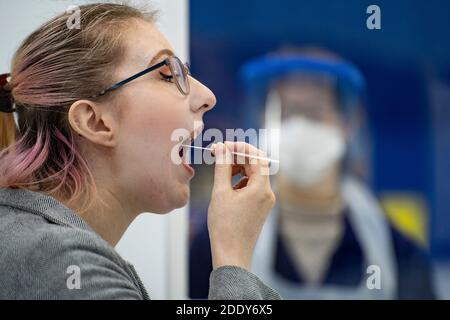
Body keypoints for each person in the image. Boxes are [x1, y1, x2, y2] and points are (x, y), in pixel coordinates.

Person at [0, 3, 280, 300]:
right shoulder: (61, 261)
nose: (207, 97)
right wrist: (233, 256)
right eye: (168, 75)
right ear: (95, 122)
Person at [190, 48, 435, 299]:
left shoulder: (400, 254)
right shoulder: (213, 245)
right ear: (263, 121)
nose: (299, 126)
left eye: (314, 112)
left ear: (349, 123)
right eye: (286, 113)